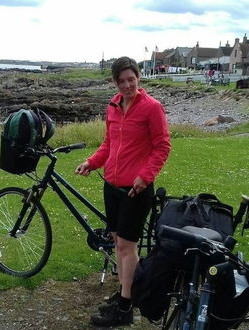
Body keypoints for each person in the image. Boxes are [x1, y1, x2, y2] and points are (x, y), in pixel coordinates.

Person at [75, 56, 171, 326]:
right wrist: (91, 163)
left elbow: (162, 146)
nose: (127, 85)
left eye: (132, 79)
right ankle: (126, 292)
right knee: (119, 244)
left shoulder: (152, 108)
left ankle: (126, 307)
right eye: (122, 81)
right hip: (112, 187)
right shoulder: (113, 107)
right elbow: (108, 144)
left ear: (138, 78)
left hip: (135, 190)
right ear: (115, 82)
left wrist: (145, 176)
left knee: (128, 247)